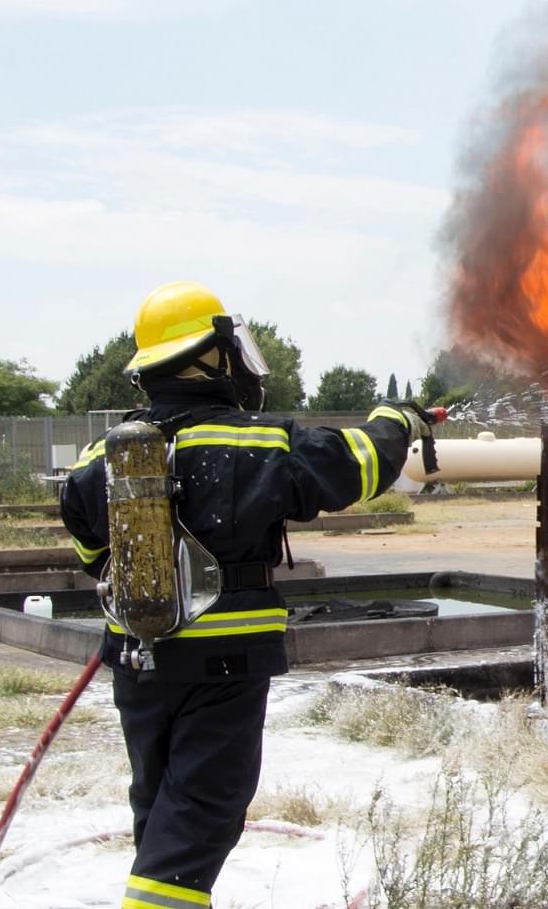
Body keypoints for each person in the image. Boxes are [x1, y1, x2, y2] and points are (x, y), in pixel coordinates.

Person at [61, 281, 426, 908]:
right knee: (204, 809)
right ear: (210, 357)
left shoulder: (103, 456)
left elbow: (90, 544)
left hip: (137, 664)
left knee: (162, 804)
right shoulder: (255, 444)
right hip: (225, 664)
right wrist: (398, 419)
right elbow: (358, 463)